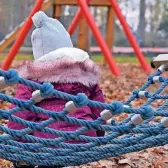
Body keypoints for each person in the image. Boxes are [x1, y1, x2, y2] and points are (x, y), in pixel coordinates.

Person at [7, 11, 106, 168]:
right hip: (85, 139)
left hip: (48, 143)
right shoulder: (86, 72)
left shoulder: (32, 78)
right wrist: (98, 137)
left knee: (35, 153)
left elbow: (20, 116)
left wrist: (19, 150)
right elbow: (99, 110)